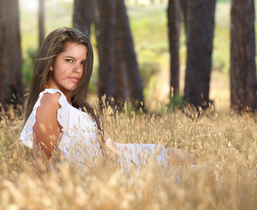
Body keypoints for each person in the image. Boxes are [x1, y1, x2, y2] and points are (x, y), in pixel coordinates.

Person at [19, 27, 196, 174]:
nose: (77, 70)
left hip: (121, 157)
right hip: (114, 174)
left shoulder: (69, 103)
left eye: (82, 63)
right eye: (69, 60)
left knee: (188, 159)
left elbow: (99, 145)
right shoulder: (50, 100)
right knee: (200, 174)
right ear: (50, 62)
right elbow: (41, 166)